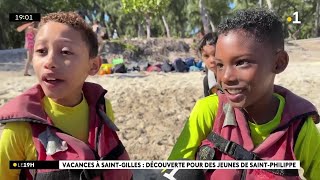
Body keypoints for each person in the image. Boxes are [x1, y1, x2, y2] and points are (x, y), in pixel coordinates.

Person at [167, 9, 320, 179]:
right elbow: (174, 170)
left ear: (279, 63)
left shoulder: (298, 127)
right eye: (220, 65)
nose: (225, 77)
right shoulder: (209, 111)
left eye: (241, 63)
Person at [0, 12, 132, 180]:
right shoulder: (20, 129)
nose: (49, 62)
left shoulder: (102, 108)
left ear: (93, 66)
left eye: (65, 52)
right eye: (41, 51)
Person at [197, 32, 219, 97]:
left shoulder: (233, 76)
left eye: (215, 54)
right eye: (206, 56)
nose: (212, 60)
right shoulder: (207, 81)